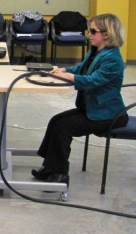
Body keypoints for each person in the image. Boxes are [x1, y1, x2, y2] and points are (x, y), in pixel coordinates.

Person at [31, 13, 128, 187]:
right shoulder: (97, 52)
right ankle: (50, 167)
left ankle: (60, 174)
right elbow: (81, 68)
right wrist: (63, 70)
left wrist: (69, 77)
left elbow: (93, 81)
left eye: (93, 31)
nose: (89, 34)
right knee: (56, 121)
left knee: (63, 127)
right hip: (93, 109)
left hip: (107, 113)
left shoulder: (112, 59)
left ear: (107, 34)